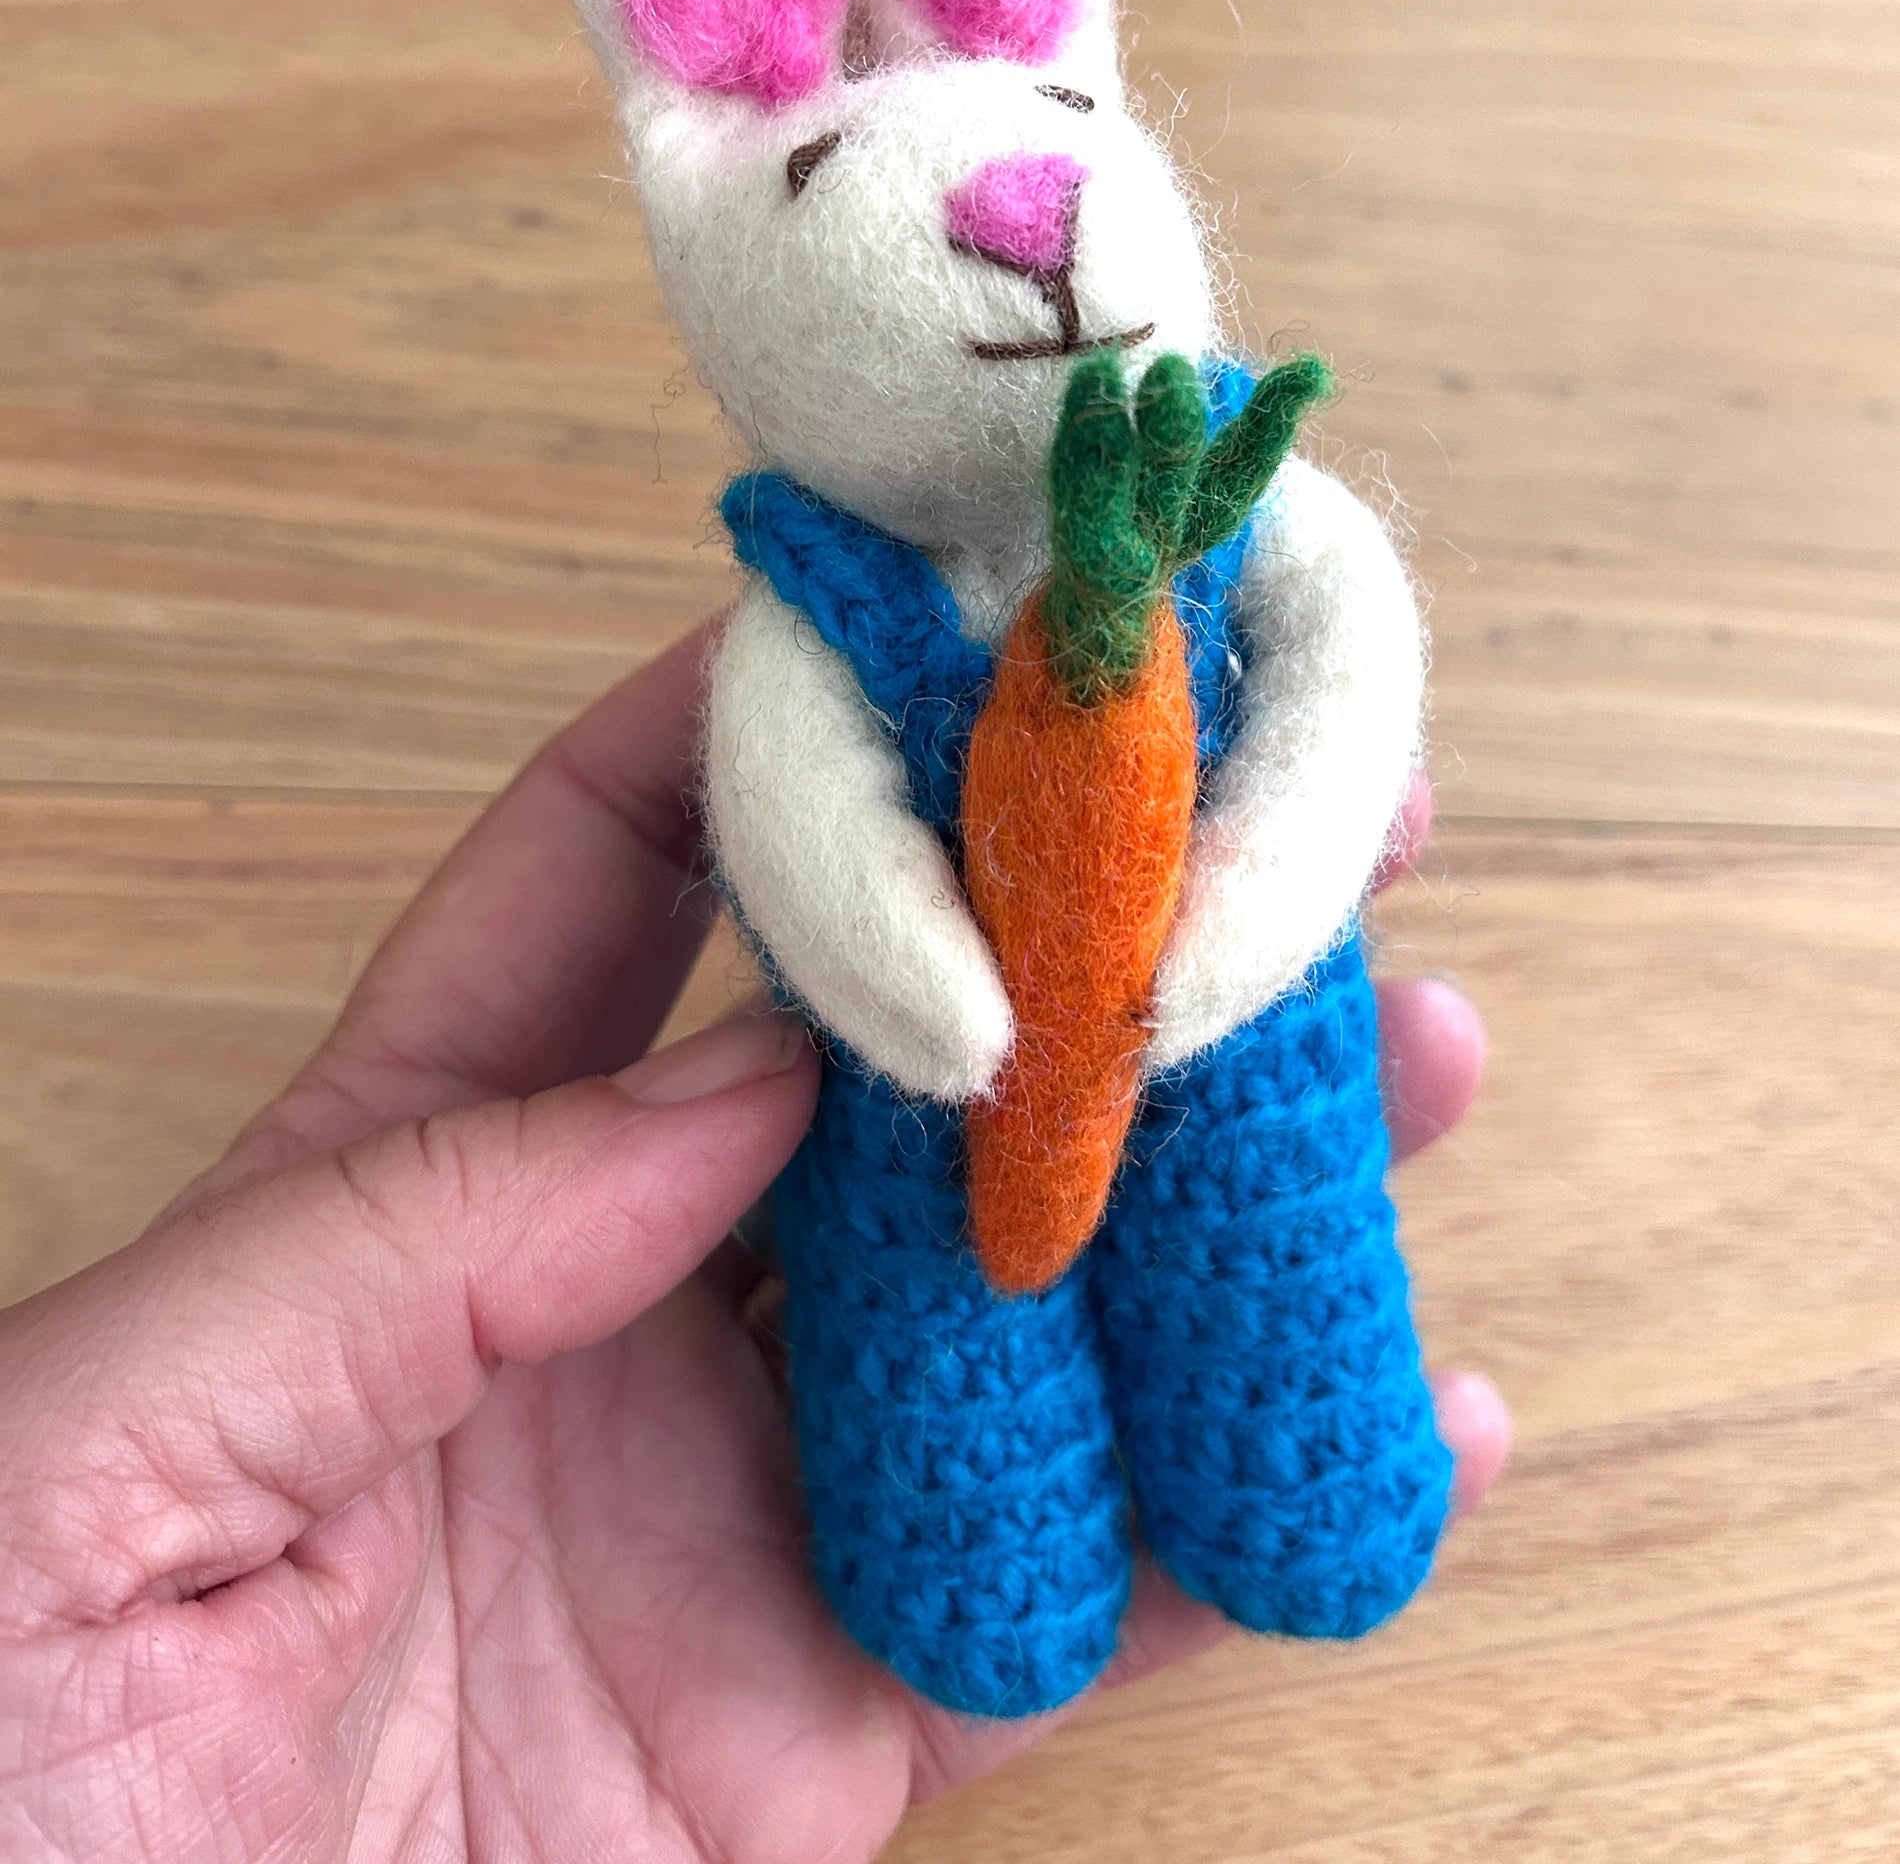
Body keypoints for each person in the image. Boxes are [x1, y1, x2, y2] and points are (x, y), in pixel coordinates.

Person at [0, 626, 1508, 1862]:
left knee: (1275, 1278)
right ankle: (988, 1560)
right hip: (919, 1102)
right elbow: (790, 809)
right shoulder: (813, 626)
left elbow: (1348, 687)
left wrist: (1255, 901)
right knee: (946, 1364)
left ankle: (1286, 1488)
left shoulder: (1243, 530)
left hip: (1232, 1039)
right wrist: (929, 993)